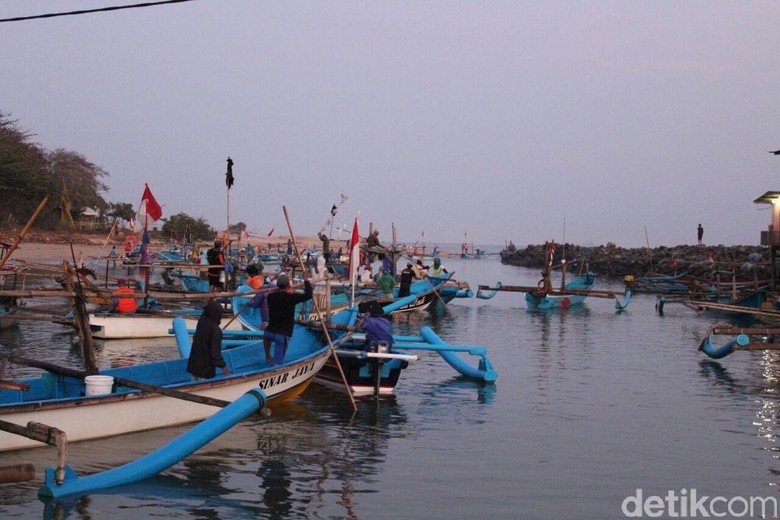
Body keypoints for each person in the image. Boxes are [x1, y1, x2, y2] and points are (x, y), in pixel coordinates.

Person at [263, 272, 313, 365]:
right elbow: (309, 295)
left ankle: (267, 355)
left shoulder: (270, 297)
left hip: (269, 332)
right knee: (278, 364)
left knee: (266, 336)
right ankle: (275, 366)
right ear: (288, 286)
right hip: (282, 335)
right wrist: (306, 280)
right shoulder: (291, 297)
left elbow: (276, 293)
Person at [187, 300, 232, 379]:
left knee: (195, 380)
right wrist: (224, 368)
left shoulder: (201, 321)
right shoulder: (216, 330)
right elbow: (215, 353)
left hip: (193, 365)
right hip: (205, 369)